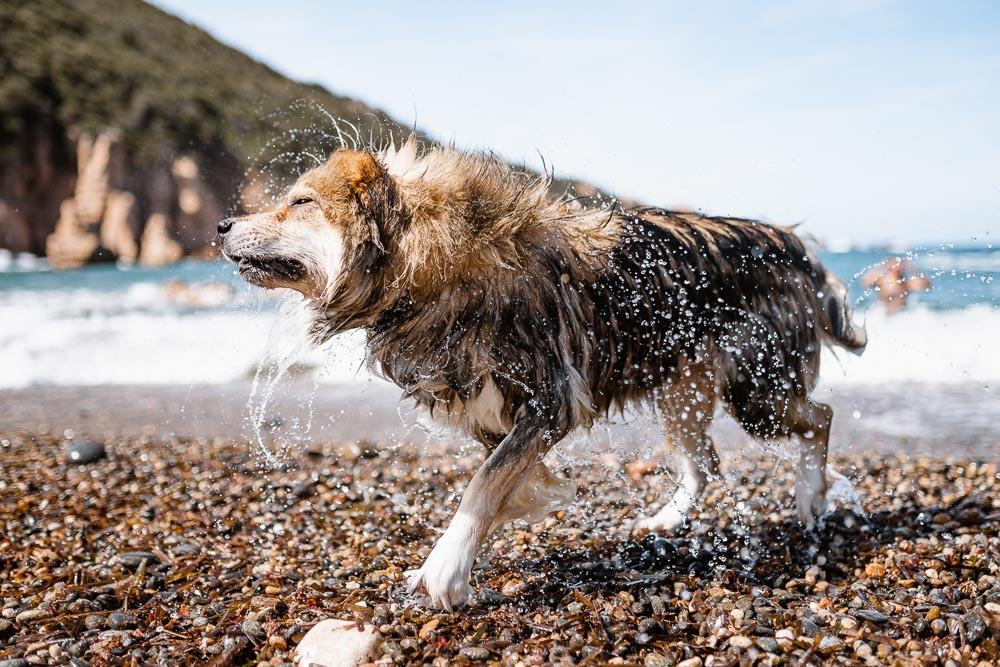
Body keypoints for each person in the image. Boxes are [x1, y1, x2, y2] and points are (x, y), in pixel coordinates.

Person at [862, 258, 930, 314]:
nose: (898, 269)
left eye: (900, 268)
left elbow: (926, 285)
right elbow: (865, 281)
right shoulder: (883, 281)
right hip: (884, 314)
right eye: (896, 266)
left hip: (902, 314)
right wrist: (882, 267)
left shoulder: (906, 283)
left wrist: (913, 269)